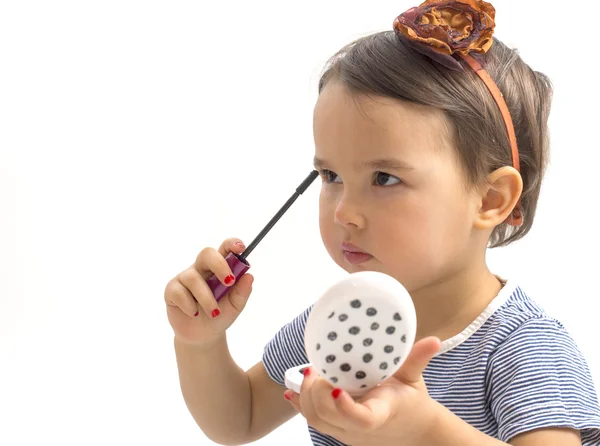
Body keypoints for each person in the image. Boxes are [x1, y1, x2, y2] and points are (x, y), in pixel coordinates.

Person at [164, 1, 600, 445]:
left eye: (385, 178)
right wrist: (200, 342)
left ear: (490, 199)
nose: (343, 213)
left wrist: (422, 431)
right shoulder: (340, 323)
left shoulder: (523, 346)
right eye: (330, 176)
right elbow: (240, 418)